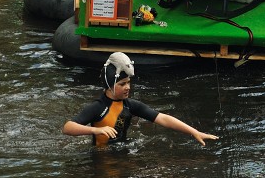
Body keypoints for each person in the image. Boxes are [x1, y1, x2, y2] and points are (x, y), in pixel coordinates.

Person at [62, 52, 218, 147]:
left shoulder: (130, 106)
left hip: (122, 151)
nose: (128, 87)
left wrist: (194, 132)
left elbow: (162, 118)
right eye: (122, 84)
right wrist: (95, 129)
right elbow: (67, 127)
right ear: (109, 85)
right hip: (100, 157)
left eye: (129, 83)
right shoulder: (98, 108)